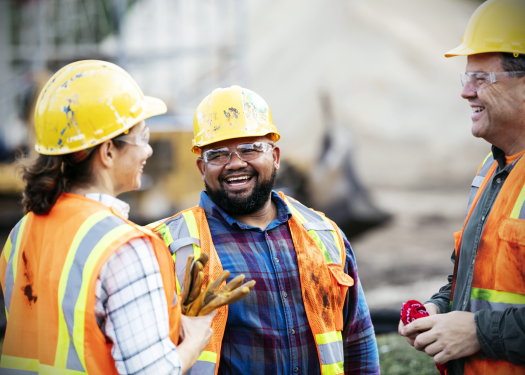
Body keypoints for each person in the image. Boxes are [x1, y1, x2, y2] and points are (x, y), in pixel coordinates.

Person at [0, 60, 215, 375]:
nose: (148, 151)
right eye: (142, 138)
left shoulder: (21, 232)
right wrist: (194, 341)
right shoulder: (125, 248)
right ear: (108, 152)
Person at [149, 85, 379, 375]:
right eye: (218, 154)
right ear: (200, 168)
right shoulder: (167, 246)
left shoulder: (324, 234)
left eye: (250, 149)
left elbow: (357, 340)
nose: (235, 163)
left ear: (276, 156)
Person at [398, 0, 525, 373]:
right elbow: (474, 279)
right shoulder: (492, 167)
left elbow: (483, 321)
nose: (466, 92)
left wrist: (478, 332)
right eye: (465, 77)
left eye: (482, 79)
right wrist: (440, 308)